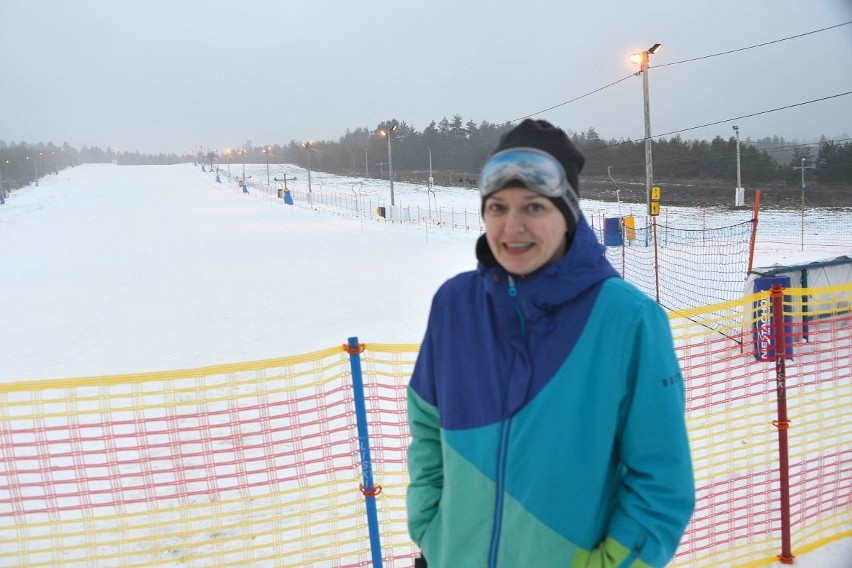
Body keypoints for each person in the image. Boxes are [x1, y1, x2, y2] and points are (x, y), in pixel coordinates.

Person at [406, 119, 694, 568]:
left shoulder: (628, 320)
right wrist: (430, 528)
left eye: (534, 207)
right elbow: (426, 425)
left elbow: (661, 482)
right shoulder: (454, 305)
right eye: (497, 207)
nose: (511, 226)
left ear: (568, 213)